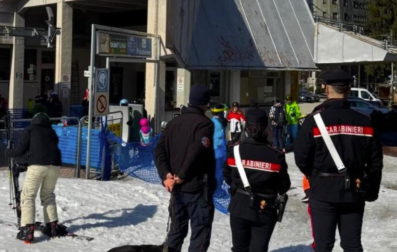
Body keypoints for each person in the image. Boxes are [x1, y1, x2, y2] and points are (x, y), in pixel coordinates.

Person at [294, 69, 383, 252]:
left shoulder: (313, 121)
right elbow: (375, 162)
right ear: (349, 90)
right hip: (355, 190)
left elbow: (301, 157)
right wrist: (370, 190)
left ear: (326, 89)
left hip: (322, 191)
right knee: (352, 245)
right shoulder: (364, 121)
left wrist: (315, 178)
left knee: (323, 246)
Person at [155, 84, 216, 252]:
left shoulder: (173, 123)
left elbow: (159, 150)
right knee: (200, 233)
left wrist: (166, 175)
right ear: (205, 103)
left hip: (176, 188)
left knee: (176, 232)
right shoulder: (205, 124)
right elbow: (197, 150)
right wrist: (181, 174)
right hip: (196, 188)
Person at [224, 107, 291, 252]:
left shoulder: (234, 151)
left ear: (246, 126)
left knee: (239, 248)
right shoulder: (276, 155)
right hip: (264, 208)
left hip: (239, 206)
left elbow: (227, 176)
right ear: (266, 128)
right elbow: (284, 186)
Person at [5, 113, 64, 243]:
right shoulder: (51, 131)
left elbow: (21, 150)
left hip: (38, 165)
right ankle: (51, 226)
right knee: (48, 195)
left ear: (34, 121)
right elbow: (43, 149)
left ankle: (27, 230)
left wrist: (8, 152)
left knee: (28, 196)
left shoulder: (30, 129)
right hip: (54, 166)